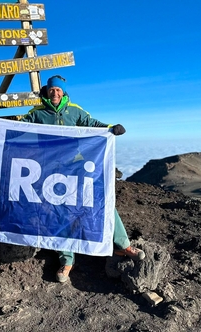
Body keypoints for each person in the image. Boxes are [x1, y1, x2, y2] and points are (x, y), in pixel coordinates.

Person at [22, 74, 145, 283]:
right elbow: (19, 130)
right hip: (50, 170)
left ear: (63, 92)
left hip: (76, 167)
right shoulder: (37, 114)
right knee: (58, 212)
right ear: (46, 91)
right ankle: (66, 260)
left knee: (101, 202)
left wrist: (111, 128)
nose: (55, 93)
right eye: (52, 90)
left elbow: (93, 124)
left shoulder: (74, 110)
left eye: (58, 90)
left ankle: (123, 246)